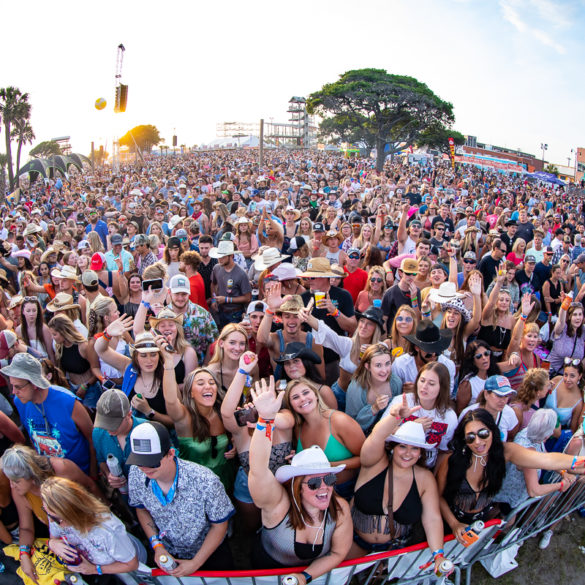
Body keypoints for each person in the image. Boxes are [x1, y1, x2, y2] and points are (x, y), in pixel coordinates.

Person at [249, 378, 353, 576]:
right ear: (297, 485)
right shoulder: (277, 505)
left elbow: (338, 553)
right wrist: (266, 419)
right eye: (314, 483)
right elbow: (258, 469)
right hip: (266, 574)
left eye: (329, 479)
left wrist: (306, 577)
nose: (324, 487)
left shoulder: (340, 509)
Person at [437, 408, 584, 545]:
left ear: (492, 431)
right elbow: (438, 496)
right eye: (470, 437)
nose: (478, 442)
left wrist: (577, 462)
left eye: (483, 434)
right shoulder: (452, 461)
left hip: (484, 519)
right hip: (451, 521)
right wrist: (454, 524)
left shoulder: (504, 451)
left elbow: (545, 459)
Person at [127, 421, 236, 576]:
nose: (144, 468)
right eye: (139, 462)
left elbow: (219, 526)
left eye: (151, 463)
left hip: (208, 553)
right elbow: (141, 509)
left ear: (171, 454)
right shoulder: (136, 473)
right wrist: (157, 546)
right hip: (169, 553)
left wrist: (196, 563)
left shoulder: (205, 481)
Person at [348, 413, 445, 567]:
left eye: (414, 448)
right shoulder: (374, 463)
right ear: (393, 448)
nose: (408, 453)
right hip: (354, 542)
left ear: (420, 453)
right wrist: (396, 415)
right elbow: (376, 437)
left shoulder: (425, 479)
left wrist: (438, 555)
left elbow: (432, 519)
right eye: (402, 446)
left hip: (393, 549)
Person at [0, 445, 102, 584]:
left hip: (94, 533)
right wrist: (24, 554)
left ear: (30, 475)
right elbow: (26, 528)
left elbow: (92, 489)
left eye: (16, 481)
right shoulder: (20, 492)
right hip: (67, 546)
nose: (12, 486)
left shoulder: (62, 469)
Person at [0, 353, 97, 477]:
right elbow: (32, 436)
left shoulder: (67, 401)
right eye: (12, 385)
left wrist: (94, 475)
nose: (14, 392)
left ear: (34, 383)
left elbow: (92, 438)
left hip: (81, 474)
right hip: (52, 479)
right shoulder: (20, 402)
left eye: (18, 387)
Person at [161, 340, 236, 490]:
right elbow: (170, 400)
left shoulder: (223, 412)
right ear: (191, 393)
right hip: (194, 486)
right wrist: (168, 363)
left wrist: (234, 444)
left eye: (211, 382)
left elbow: (236, 434)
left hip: (224, 480)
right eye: (200, 383)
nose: (207, 386)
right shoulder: (184, 417)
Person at [281, 377, 365, 498]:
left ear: (315, 395)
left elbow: (365, 458)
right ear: (291, 405)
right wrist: (298, 460)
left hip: (345, 491)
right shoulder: (297, 429)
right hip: (312, 494)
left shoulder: (339, 421)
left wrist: (328, 465)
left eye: (306, 392)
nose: (303, 399)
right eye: (295, 397)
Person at [42, 476, 142, 577]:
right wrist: (53, 543)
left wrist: (94, 569)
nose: (50, 520)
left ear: (72, 513)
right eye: (46, 512)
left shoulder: (107, 530)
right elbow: (54, 537)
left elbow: (132, 564)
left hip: (128, 571)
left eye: (55, 518)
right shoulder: (55, 515)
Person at [299, 305, 385, 411]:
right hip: (340, 396)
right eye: (362, 321)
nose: (363, 326)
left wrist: (373, 355)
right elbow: (328, 333)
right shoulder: (347, 344)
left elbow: (387, 373)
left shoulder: (381, 349)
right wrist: (308, 317)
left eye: (369, 324)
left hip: (366, 400)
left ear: (376, 328)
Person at [95, 319, 174, 428]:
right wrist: (107, 334)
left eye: (153, 354)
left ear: (159, 355)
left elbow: (175, 421)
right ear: (136, 357)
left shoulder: (167, 377)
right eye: (143, 355)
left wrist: (149, 412)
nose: (149, 360)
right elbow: (101, 350)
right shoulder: (128, 367)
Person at [259, 289, 325, 381]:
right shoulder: (275, 339)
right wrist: (270, 310)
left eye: (296, 316)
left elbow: (321, 377)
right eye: (287, 316)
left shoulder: (314, 342)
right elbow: (262, 339)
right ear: (281, 317)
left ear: (303, 317)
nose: (291, 321)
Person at [92, 389, 146, 494]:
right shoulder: (98, 433)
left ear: (129, 415)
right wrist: (109, 475)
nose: (108, 429)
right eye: (104, 424)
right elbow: (101, 460)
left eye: (113, 424)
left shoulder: (146, 430)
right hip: (125, 495)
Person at [133, 304, 197, 387]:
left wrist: (167, 389)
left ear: (177, 328)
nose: (167, 328)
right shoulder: (151, 349)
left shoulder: (188, 352)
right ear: (156, 330)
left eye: (171, 325)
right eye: (162, 326)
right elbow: (137, 332)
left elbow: (190, 385)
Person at [345, 344, 402, 433]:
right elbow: (352, 425)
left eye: (387, 364)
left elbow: (399, 417)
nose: (384, 370)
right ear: (368, 366)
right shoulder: (356, 388)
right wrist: (374, 408)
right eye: (378, 365)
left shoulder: (395, 382)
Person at [391, 320, 456, 396]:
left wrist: (417, 390)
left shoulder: (448, 365)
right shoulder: (400, 364)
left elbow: (447, 396)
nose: (434, 354)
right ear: (417, 348)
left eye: (437, 349)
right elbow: (394, 394)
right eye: (429, 350)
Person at [48, 313, 102, 407]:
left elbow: (97, 369)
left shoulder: (83, 347)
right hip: (73, 388)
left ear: (64, 332)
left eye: (55, 334)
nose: (52, 337)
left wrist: (85, 386)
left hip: (90, 389)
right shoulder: (60, 347)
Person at [275, 342, 337, 409]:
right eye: (287, 363)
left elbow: (334, 417)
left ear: (306, 363)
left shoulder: (324, 391)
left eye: (296, 361)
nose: (291, 366)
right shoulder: (281, 385)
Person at [459, 375, 519, 442]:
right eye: (499, 395)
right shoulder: (468, 413)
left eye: (506, 396)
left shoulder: (509, 413)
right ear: (486, 394)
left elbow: (511, 437)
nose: (503, 400)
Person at [209, 240, 252, 328]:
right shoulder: (217, 268)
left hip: (235, 314)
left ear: (231, 256)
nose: (219, 259)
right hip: (221, 311)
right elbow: (213, 284)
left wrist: (227, 299)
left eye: (222, 257)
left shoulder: (241, 274)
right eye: (218, 256)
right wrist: (213, 300)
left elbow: (248, 298)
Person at [382, 258, 421, 332]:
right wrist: (387, 338)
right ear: (400, 273)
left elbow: (417, 319)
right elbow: (384, 319)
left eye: (414, 274)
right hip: (394, 333)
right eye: (408, 273)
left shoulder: (417, 291)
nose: (411, 277)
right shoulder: (390, 292)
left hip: (410, 333)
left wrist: (414, 299)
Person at [548, 299, 585, 376]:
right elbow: (561, 321)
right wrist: (564, 306)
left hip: (570, 377)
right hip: (551, 372)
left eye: (580, 314)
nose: (578, 318)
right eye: (575, 315)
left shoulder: (583, 330)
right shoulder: (562, 328)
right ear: (569, 316)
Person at [15, 295, 55, 362]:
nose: (31, 314)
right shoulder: (19, 330)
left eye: (34, 310)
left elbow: (51, 354)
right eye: (28, 311)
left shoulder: (44, 329)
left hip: (43, 364)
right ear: (23, 312)